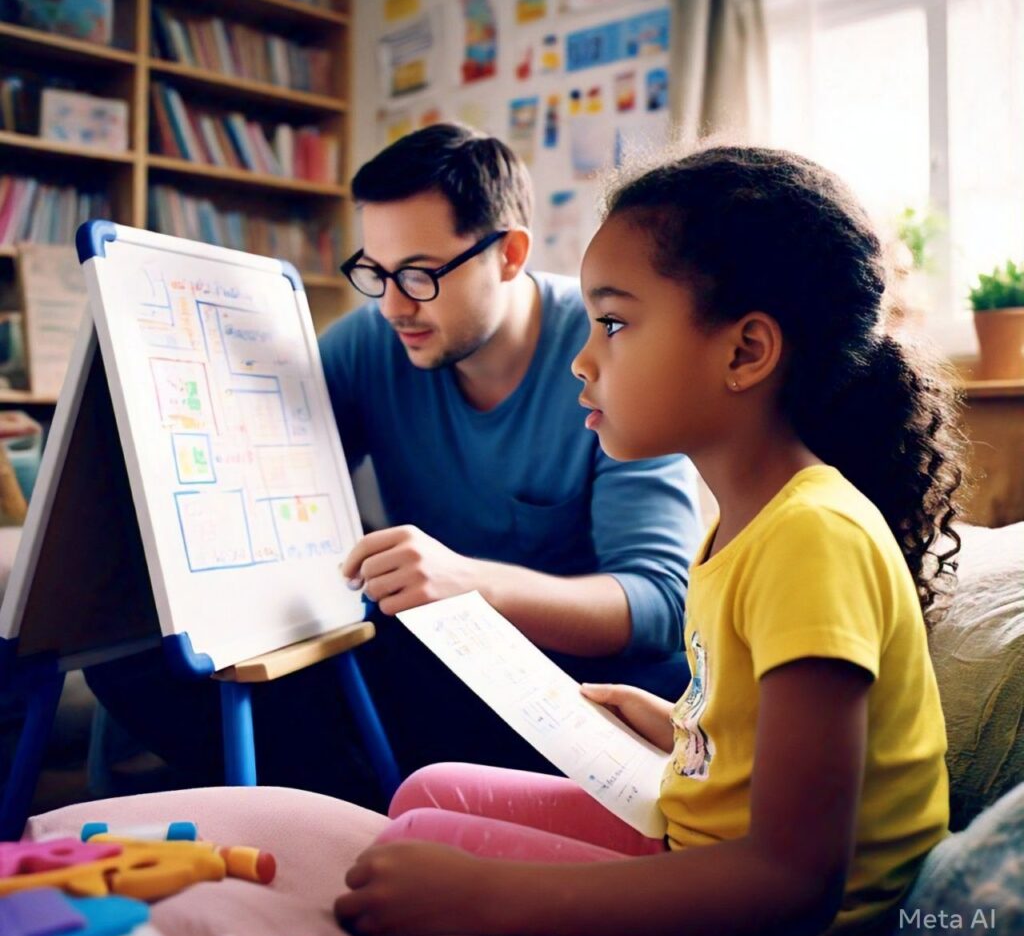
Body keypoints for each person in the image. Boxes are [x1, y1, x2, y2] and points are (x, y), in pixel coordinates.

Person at [332, 145, 964, 936]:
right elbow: (775, 745)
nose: (581, 358)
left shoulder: (814, 537)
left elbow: (794, 884)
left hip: (796, 930)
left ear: (745, 352)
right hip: (706, 842)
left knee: (419, 850)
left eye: (616, 324)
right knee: (427, 792)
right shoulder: (744, 523)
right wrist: (682, 729)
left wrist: (488, 896)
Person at [85, 124, 701, 805]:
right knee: (131, 667)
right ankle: (340, 805)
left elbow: (660, 601)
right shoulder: (372, 342)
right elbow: (263, 470)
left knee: (671, 686)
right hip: (428, 650)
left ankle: (374, 796)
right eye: (374, 272)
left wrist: (471, 585)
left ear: (509, 254)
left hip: (565, 666)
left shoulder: (608, 350)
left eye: (418, 274)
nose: (392, 304)